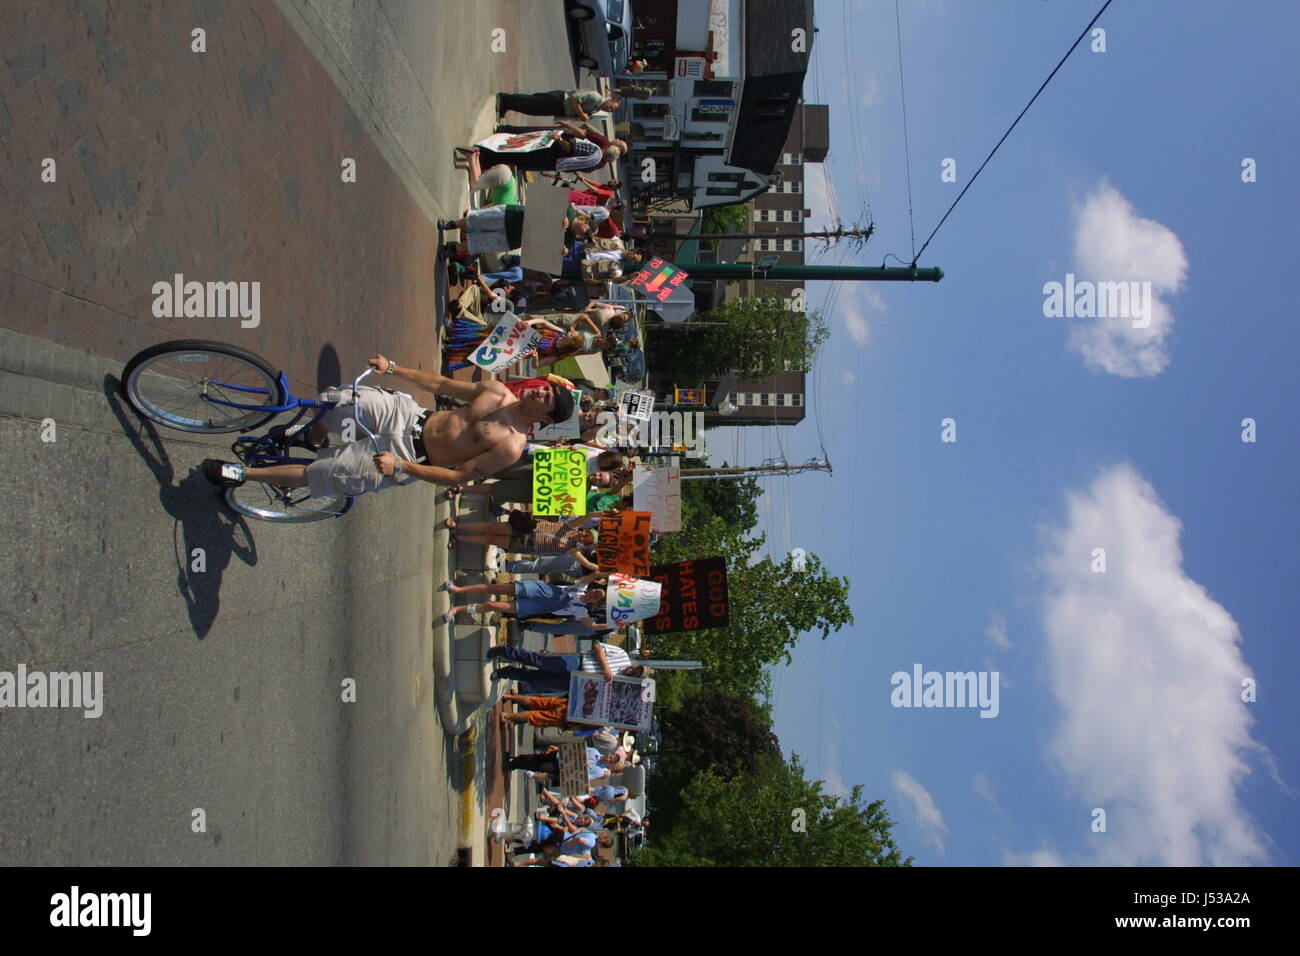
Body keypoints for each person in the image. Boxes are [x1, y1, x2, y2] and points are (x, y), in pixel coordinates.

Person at [201, 357, 574, 497]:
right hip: (408, 417)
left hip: (407, 454)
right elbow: (441, 386)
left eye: (548, 400)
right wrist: (392, 369)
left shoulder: (511, 446)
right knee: (342, 399)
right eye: (546, 388)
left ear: (546, 419)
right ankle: (310, 435)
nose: (542, 392)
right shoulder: (496, 390)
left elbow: (458, 477)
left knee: (326, 474)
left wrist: (403, 469)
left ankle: (242, 474)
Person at [487, 643, 644, 695]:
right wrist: (605, 668)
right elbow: (597, 647)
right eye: (638, 669)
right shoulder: (622, 655)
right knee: (538, 660)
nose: (635, 671)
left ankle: (505, 672)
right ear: (637, 665)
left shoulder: (622, 683)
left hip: (576, 683)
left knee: (536, 680)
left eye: (637, 675)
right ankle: (504, 651)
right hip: (577, 663)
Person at [498, 89, 619, 122]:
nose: (608, 109)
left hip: (560, 110)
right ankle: (505, 98)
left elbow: (580, 112)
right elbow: (574, 99)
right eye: (610, 107)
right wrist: (582, 114)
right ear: (610, 100)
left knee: (532, 110)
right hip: (559, 100)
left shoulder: (597, 109)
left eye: (610, 111)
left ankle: (508, 105)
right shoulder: (595, 97)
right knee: (531, 102)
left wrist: (584, 117)